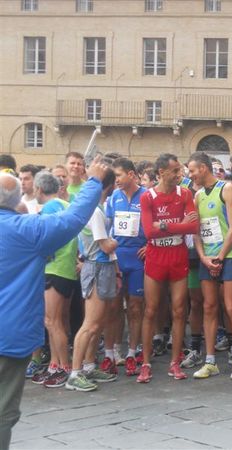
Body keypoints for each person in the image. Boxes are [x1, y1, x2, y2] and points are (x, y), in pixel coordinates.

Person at [0, 158, 109, 448]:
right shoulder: (26, 230)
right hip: (8, 336)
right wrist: (94, 182)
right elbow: (72, 219)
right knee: (2, 412)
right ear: (17, 201)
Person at [188, 151, 232, 381]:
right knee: (209, 307)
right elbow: (196, 231)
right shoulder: (196, 196)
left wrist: (221, 257)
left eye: (193, 170)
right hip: (208, 258)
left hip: (229, 256)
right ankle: (210, 360)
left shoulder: (226, 188)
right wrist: (204, 258)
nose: (190, 175)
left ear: (203, 168)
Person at [137, 154, 199, 383]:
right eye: (174, 171)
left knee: (179, 309)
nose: (179, 175)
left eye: (179, 171)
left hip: (177, 254)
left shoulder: (185, 193)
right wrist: (178, 226)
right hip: (156, 256)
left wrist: (163, 224)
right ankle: (145, 362)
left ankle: (175, 362)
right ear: (161, 172)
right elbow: (148, 232)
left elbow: (193, 226)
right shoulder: (148, 196)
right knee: (151, 310)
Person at [66, 163, 120, 392]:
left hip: (103, 267)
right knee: (90, 323)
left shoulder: (97, 208)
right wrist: (120, 238)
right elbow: (106, 245)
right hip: (97, 266)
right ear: (111, 186)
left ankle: (88, 366)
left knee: (98, 323)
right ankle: (75, 373)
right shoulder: (96, 212)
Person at [33, 172, 79, 388]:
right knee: (54, 320)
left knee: (53, 321)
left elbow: (44, 237)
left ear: (39, 190)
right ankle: (54, 364)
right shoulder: (64, 204)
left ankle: (63, 367)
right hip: (65, 267)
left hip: (54, 267)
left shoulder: (49, 208)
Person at [105, 158, 147, 377]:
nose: (116, 180)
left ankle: (133, 352)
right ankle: (110, 353)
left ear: (131, 174)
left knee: (135, 307)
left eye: (119, 175)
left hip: (138, 259)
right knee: (112, 307)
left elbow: (155, 224)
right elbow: (107, 228)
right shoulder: (113, 198)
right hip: (118, 257)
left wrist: (150, 245)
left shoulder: (147, 196)